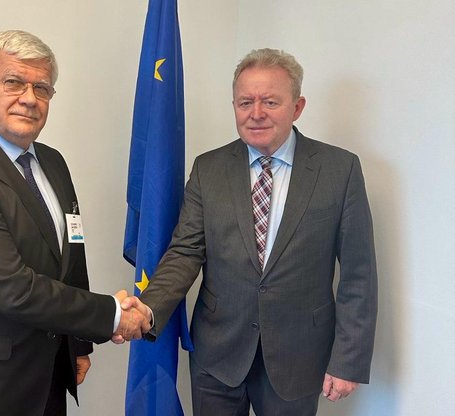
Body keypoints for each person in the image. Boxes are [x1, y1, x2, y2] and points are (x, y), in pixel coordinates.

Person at [0, 30, 148, 416]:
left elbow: (70, 257)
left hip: (45, 374)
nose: (30, 99)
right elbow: (13, 289)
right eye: (14, 82)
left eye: (42, 88)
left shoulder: (52, 163)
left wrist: (78, 342)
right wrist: (113, 315)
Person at [123, 48, 378, 415]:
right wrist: (148, 307)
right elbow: (185, 252)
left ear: (297, 107)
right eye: (245, 102)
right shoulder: (209, 169)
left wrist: (348, 361)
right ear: (235, 106)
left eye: (270, 101)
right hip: (217, 356)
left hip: (298, 358)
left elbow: (359, 275)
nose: (256, 113)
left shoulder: (340, 170)